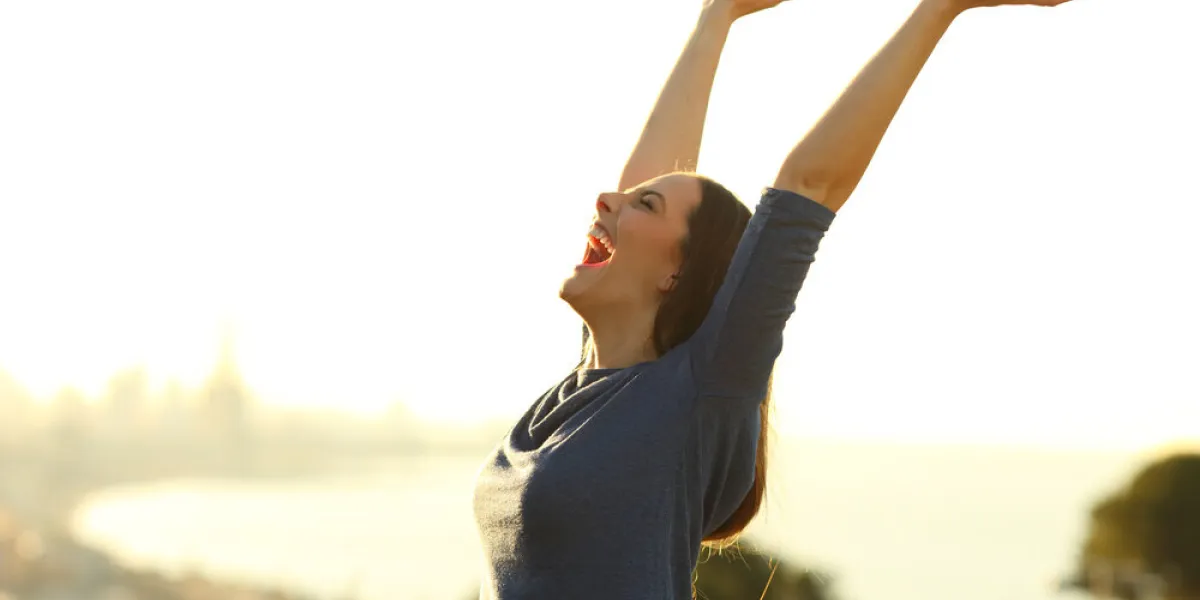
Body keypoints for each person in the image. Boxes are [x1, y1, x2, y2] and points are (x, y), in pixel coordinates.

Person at [472, 0, 1077, 597]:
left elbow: (808, 186)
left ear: (675, 276)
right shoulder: (586, 391)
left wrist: (939, 9)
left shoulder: (699, 387)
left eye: (644, 206)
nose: (608, 199)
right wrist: (719, 15)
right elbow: (646, 180)